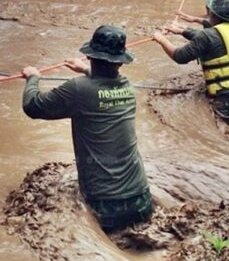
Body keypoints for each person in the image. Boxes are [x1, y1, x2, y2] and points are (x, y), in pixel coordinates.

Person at [21, 25, 153, 233]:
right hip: (142, 200)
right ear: (120, 61)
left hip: (106, 207)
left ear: (91, 56)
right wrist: (84, 70)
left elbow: (33, 106)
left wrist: (33, 78)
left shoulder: (77, 89)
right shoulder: (127, 86)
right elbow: (102, 87)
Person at [152, 0, 229, 123]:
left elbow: (179, 56)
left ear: (214, 15)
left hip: (227, 105)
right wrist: (181, 31)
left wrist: (161, 39)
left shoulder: (208, 36)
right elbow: (210, 38)